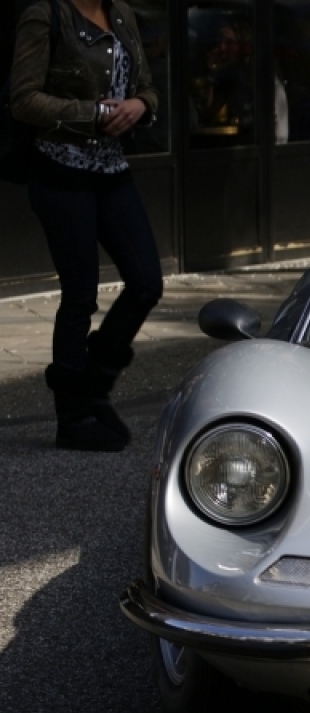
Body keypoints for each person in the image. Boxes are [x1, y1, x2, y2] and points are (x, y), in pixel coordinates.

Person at [9, 0, 163, 450]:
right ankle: (72, 417)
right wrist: (93, 113)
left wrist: (139, 105)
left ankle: (93, 384)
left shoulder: (123, 14)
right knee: (80, 295)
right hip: (60, 171)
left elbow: (148, 89)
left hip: (111, 171)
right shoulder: (46, 15)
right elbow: (24, 99)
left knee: (146, 283)